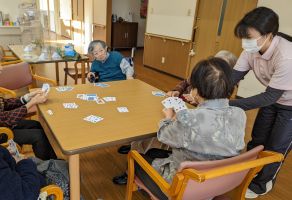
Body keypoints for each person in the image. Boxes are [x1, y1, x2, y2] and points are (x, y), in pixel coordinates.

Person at [114, 57, 247, 197]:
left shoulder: (189, 118)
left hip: (181, 188)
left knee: (136, 158)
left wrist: (168, 117)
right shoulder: (239, 114)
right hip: (218, 183)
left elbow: (163, 135)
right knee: (153, 153)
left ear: (195, 91)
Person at [229, 7, 292, 198]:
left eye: (249, 37)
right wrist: (212, 94)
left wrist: (230, 105)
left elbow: (271, 96)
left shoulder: (286, 56)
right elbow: (233, 77)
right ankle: (247, 173)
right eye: (243, 37)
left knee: (275, 147)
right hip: (272, 97)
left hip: (289, 105)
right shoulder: (252, 50)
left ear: (268, 35)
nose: (245, 42)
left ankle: (263, 183)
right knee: (258, 140)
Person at [0, 88, 56, 160]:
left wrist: (27, 97)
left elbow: (5, 104)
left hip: (4, 124)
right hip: (2, 132)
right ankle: (45, 165)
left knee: (36, 124)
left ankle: (53, 160)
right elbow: (7, 118)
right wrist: (32, 102)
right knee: (39, 136)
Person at [166, 50, 238, 104]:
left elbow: (217, 106)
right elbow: (185, 82)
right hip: (182, 101)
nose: (217, 68)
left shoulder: (225, 86)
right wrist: (177, 91)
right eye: (215, 63)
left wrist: (199, 101)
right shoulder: (201, 72)